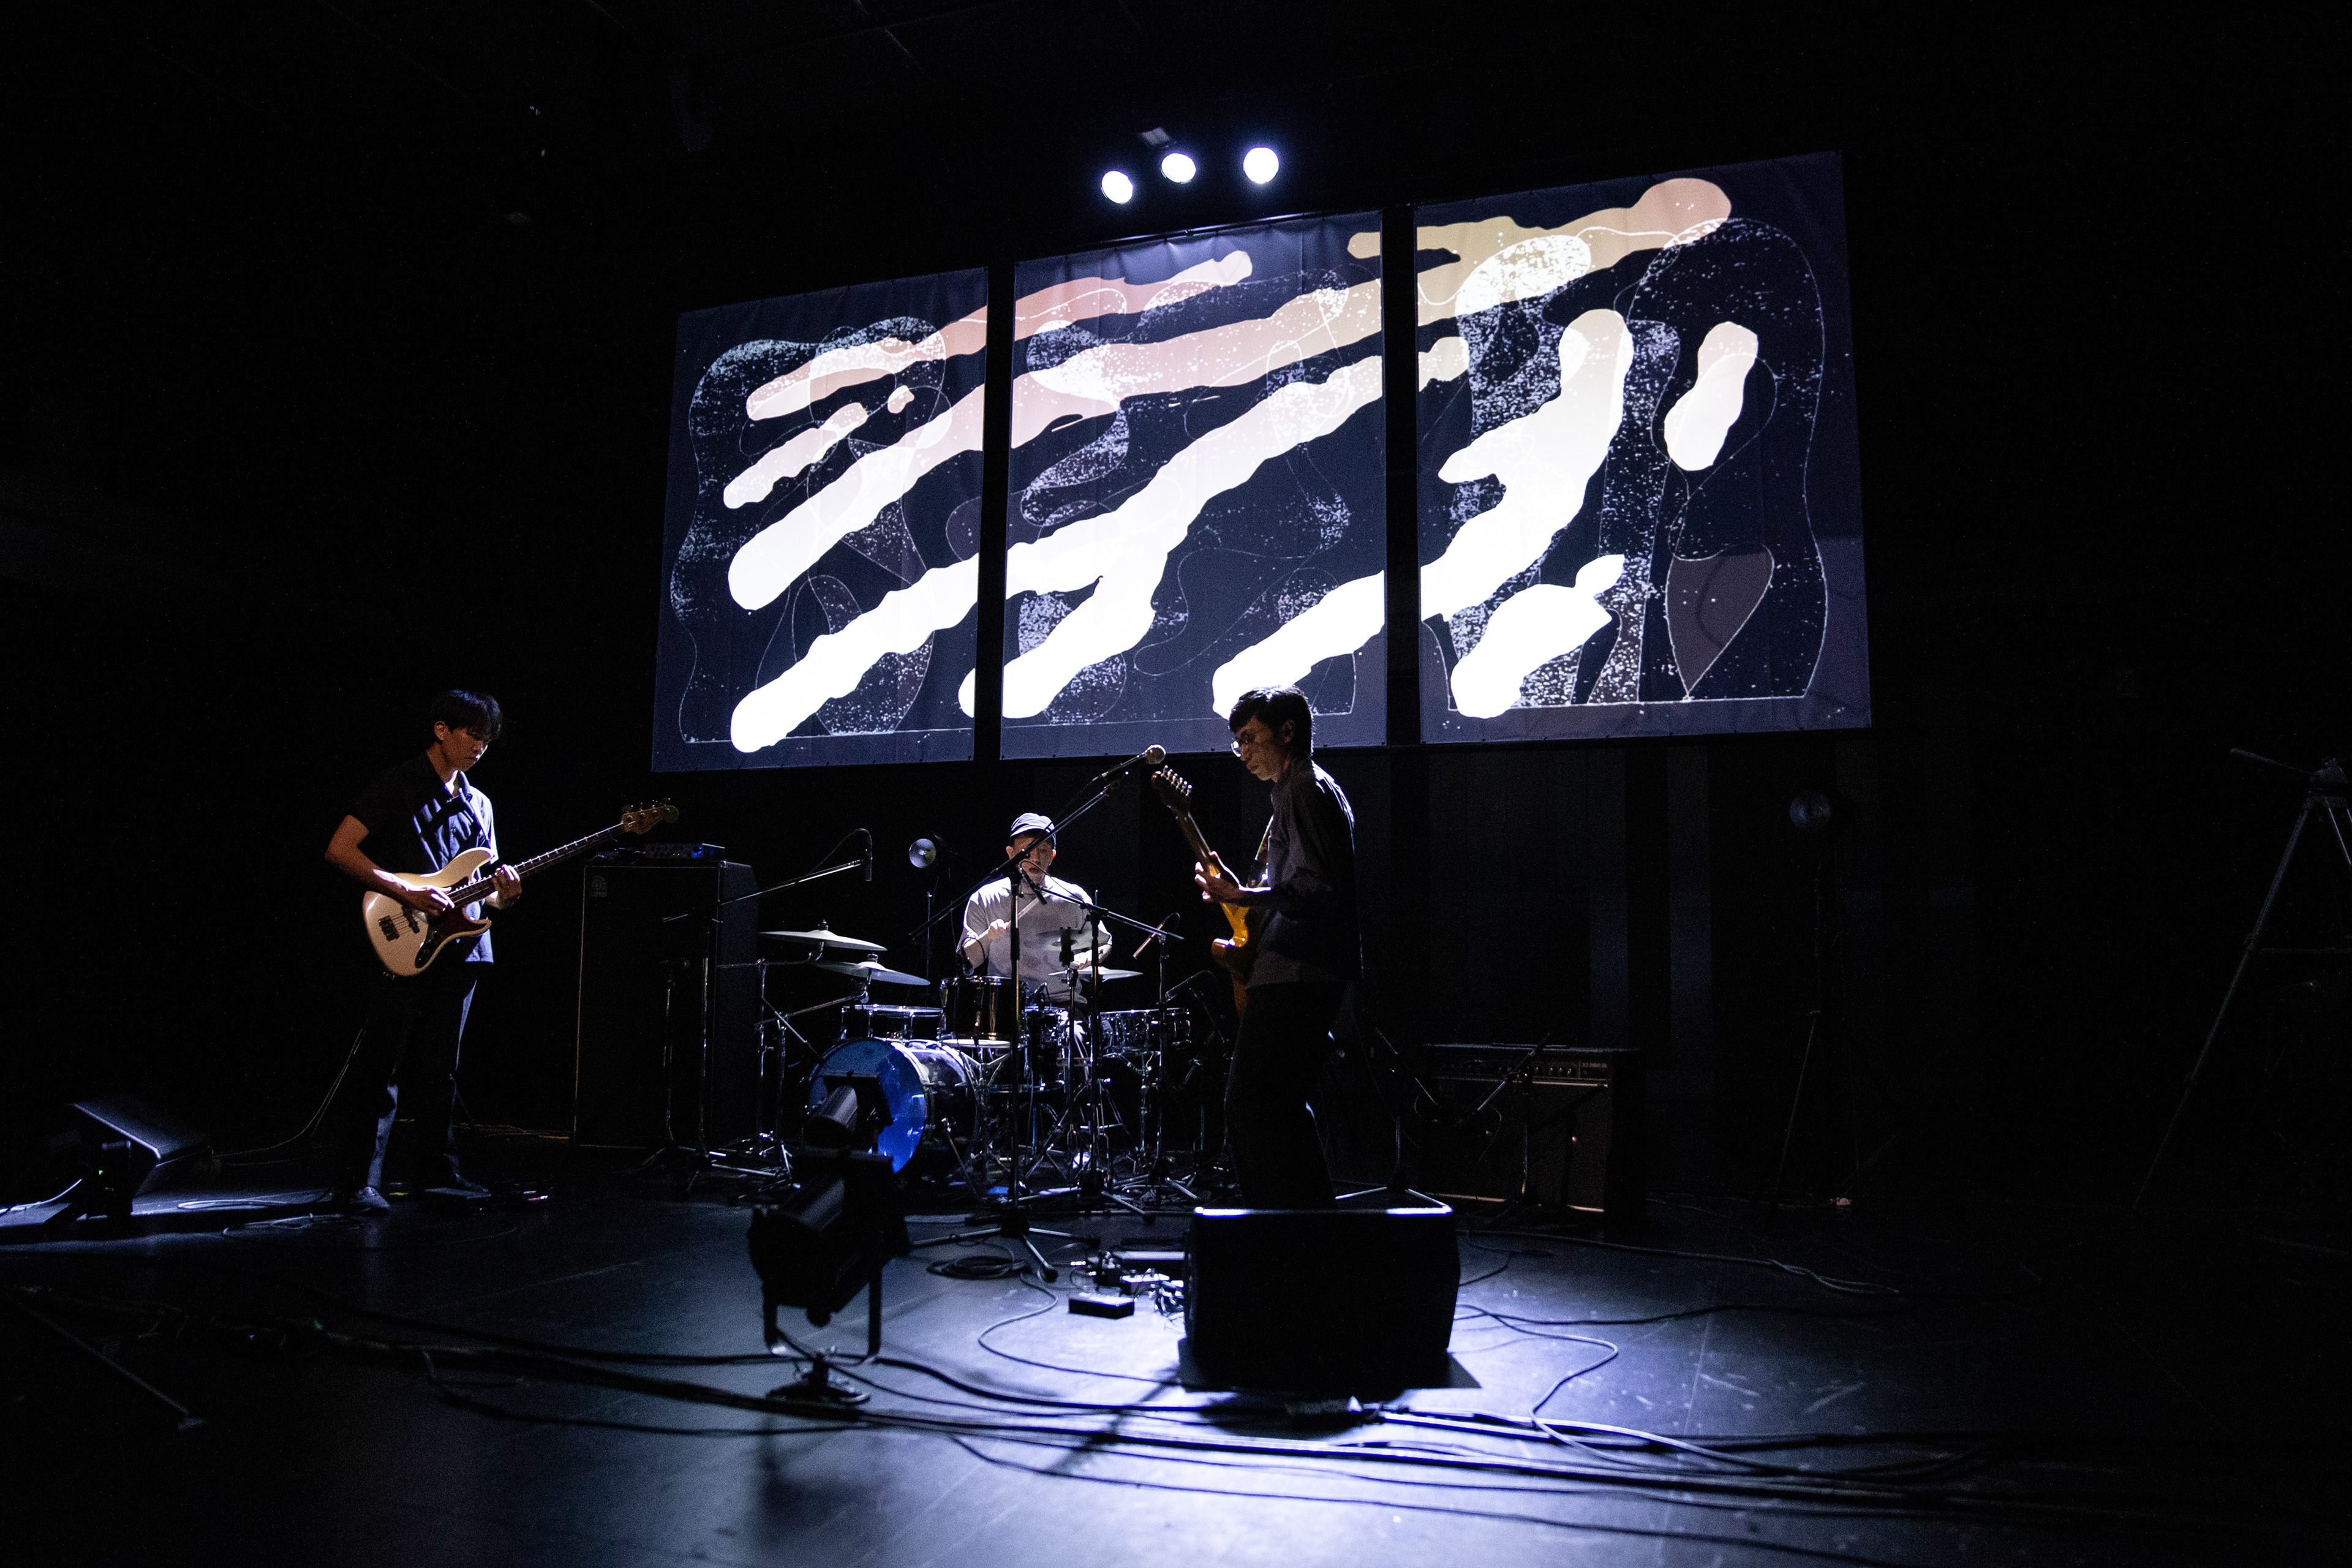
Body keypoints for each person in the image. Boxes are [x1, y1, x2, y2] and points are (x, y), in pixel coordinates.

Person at [322, 690, 522, 1215]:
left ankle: (436, 1174)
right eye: (472, 735)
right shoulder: (397, 784)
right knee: (382, 1064)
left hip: (463, 950)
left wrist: (505, 892)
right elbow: (340, 850)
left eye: (487, 740)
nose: (480, 748)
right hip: (402, 940)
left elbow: (487, 892)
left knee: (441, 1070)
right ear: (441, 730)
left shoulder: (481, 804)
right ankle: (358, 1181)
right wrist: (405, 890)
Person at [1194, 685, 1359, 1207]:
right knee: (1279, 1106)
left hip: (1298, 971)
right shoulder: (1301, 789)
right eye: (1237, 742)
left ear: (1287, 733)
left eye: (1249, 738)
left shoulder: (1304, 788)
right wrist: (1243, 895)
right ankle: (1306, 1228)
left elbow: (1314, 888)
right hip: (1301, 968)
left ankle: (1277, 1227)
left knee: (1249, 1104)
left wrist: (1242, 895)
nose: (1242, 752)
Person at [960, 812, 1100, 992]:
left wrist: (1088, 957)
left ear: (1052, 856)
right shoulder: (986, 897)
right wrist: (989, 936)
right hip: (1005, 1001)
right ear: (1011, 853)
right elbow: (967, 962)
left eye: (1043, 851)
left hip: (1062, 1001)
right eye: (1027, 850)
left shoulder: (1073, 896)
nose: (1035, 858)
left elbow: (1104, 943)